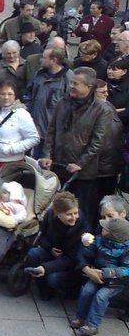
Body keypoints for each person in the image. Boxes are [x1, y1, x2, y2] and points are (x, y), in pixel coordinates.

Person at [40, 67, 112, 229]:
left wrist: (80, 163)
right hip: (58, 167)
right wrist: (47, 154)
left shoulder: (101, 109)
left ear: (88, 87)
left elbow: (98, 142)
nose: (71, 86)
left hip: (82, 173)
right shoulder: (63, 103)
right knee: (56, 210)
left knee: (80, 213)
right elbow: (51, 131)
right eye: (71, 82)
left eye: (76, 84)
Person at [70, 217, 129, 336]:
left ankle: (93, 325)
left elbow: (126, 268)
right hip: (97, 274)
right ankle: (80, 317)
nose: (102, 229)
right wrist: (86, 245)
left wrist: (111, 272)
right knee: (86, 291)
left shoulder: (125, 250)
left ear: (114, 235)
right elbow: (89, 252)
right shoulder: (99, 239)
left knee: (100, 297)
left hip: (115, 282)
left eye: (106, 229)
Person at [0, 81, 39, 199]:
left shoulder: (22, 114)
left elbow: (34, 138)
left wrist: (11, 148)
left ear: (15, 95)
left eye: (10, 94)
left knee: (8, 201)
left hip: (11, 166)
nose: (6, 97)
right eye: (2, 94)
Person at [22, 191, 84, 299]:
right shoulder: (50, 216)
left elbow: (73, 258)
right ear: (58, 213)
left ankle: (70, 291)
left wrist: (45, 268)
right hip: (53, 253)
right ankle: (43, 287)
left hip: (70, 263)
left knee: (53, 278)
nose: (74, 217)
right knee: (33, 253)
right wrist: (50, 248)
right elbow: (42, 237)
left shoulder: (81, 224)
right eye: (69, 214)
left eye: (75, 213)